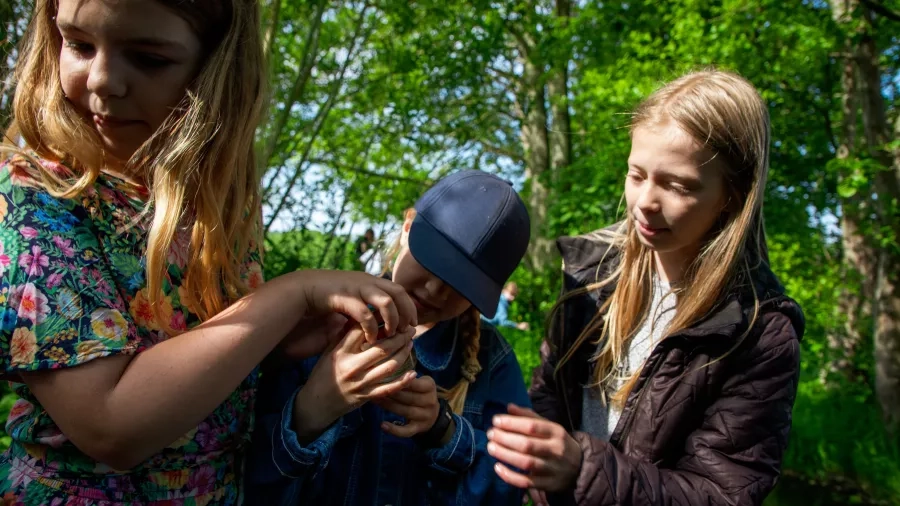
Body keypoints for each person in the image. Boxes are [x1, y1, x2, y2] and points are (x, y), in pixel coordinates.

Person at [0, 0, 417, 502]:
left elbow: (198, 376)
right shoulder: (32, 194)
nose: (103, 80)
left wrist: (277, 341)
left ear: (216, 70)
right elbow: (110, 425)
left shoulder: (217, 207)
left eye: (149, 58)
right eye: (79, 44)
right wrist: (287, 298)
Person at [486, 70, 805, 506]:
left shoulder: (758, 331)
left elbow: (722, 493)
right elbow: (549, 392)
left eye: (678, 186)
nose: (646, 202)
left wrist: (583, 470)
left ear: (734, 194)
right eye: (637, 175)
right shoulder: (590, 275)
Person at [247, 170, 533, 506]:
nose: (435, 289)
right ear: (408, 226)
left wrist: (442, 430)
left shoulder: (489, 360)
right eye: (434, 261)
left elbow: (511, 484)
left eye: (462, 284)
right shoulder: (320, 323)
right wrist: (313, 409)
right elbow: (245, 473)